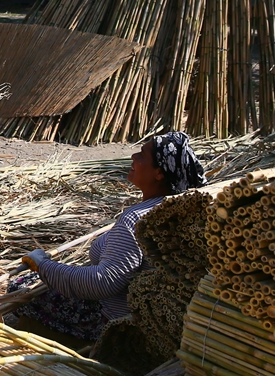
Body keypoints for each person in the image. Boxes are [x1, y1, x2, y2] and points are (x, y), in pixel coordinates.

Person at [12, 131, 206, 344]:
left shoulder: (139, 219)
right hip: (139, 314)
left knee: (19, 288)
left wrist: (43, 266)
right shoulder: (179, 209)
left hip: (112, 321)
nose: (133, 157)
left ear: (159, 173)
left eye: (142, 155)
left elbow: (103, 282)